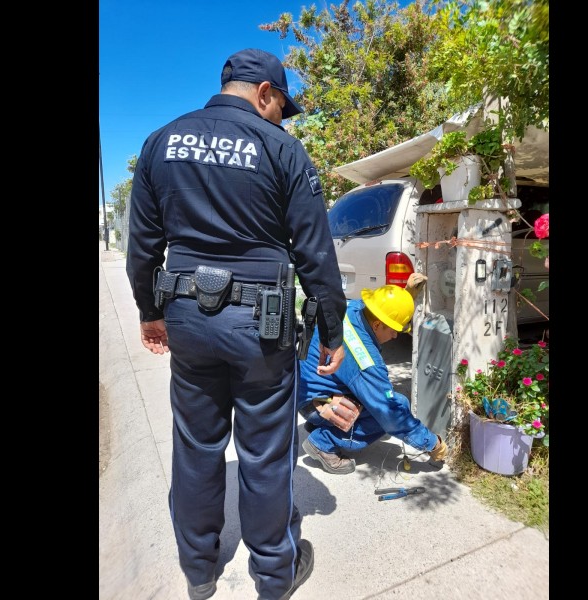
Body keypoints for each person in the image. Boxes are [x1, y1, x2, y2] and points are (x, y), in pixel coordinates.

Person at [126, 48, 347, 600]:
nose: (280, 118)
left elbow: (142, 247)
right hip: (260, 327)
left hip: (187, 321)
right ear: (264, 92)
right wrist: (332, 330)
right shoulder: (282, 149)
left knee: (196, 447)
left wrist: (150, 313)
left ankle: (198, 572)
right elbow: (315, 251)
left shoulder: (160, 142)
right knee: (266, 454)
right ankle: (273, 576)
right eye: (281, 107)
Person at [297, 273, 448, 474]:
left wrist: (406, 295)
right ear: (377, 325)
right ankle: (322, 442)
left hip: (307, 388)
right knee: (389, 411)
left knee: (386, 403)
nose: (395, 336)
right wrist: (431, 442)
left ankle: (320, 424)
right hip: (315, 403)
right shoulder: (365, 360)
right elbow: (389, 412)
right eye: (393, 330)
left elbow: (382, 307)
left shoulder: (353, 307)